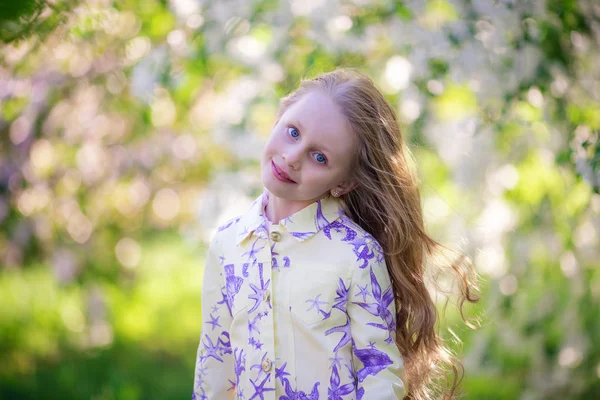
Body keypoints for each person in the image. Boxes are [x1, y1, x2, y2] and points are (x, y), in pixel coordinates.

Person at [192, 68, 479, 400]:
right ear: (279, 117)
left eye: (319, 157)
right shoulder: (228, 244)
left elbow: (379, 370)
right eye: (293, 131)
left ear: (343, 182)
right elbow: (215, 359)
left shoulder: (356, 255)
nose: (292, 157)